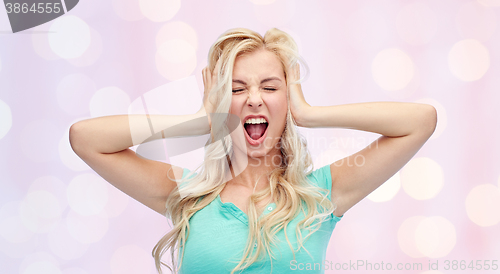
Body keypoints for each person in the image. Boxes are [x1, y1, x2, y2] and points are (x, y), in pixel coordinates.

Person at [69, 28, 437, 274]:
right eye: (237, 88)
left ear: (288, 98)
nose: (254, 99)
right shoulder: (189, 195)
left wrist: (309, 114)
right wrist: (200, 121)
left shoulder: (323, 193)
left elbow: (420, 120)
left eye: (270, 87)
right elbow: (85, 138)